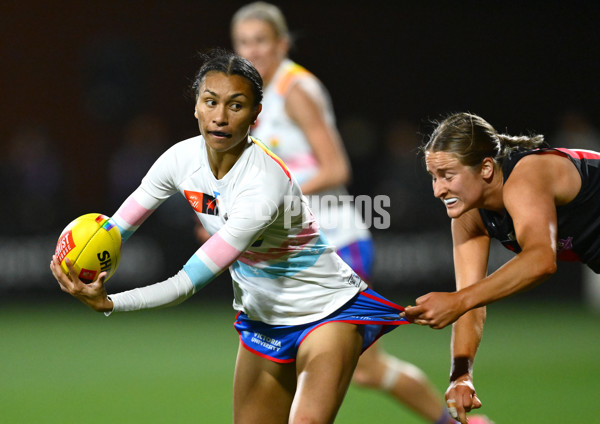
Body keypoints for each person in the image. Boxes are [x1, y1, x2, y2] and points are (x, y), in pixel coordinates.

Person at [50, 49, 412, 424]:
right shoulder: (179, 160)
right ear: (196, 108)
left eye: (236, 106)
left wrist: (111, 304)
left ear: (256, 115)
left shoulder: (263, 184)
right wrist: (75, 257)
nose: (220, 117)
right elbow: (114, 229)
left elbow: (186, 282)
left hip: (326, 310)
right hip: (261, 317)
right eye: (210, 102)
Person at [227, 3, 493, 424]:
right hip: (300, 253)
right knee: (367, 370)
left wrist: (265, 201)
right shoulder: (255, 97)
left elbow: (335, 168)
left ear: (282, 43)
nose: (252, 50)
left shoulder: (295, 91)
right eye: (243, 42)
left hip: (334, 245)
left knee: (321, 370)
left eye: (260, 40)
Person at [404, 111, 600, 423]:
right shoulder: (469, 213)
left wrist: (457, 301)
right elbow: (471, 299)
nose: (437, 190)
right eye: (433, 176)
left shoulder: (526, 175)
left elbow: (540, 260)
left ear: (484, 168)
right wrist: (461, 374)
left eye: (448, 175)